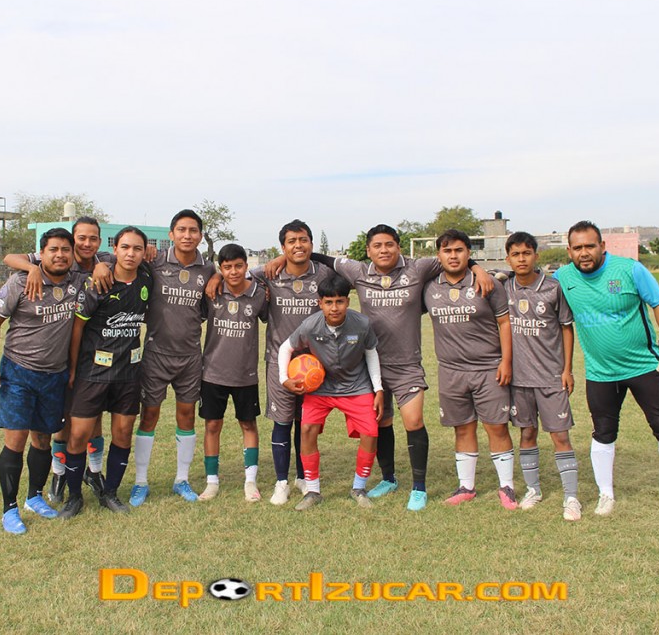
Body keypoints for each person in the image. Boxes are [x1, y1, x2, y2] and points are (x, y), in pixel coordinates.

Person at [300, 225, 493, 511]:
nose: (384, 250)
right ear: (368, 251)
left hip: (407, 365)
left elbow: (453, 256)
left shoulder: (418, 268)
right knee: (381, 423)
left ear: (399, 247)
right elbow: (322, 258)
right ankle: (388, 478)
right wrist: (281, 259)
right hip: (370, 366)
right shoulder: (358, 271)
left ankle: (419, 488)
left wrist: (478, 268)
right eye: (377, 246)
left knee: (414, 422)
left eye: (389, 244)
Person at [554, 221, 659, 523]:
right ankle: (606, 494)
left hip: (646, 367)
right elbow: (530, 284)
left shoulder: (630, 270)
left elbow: (658, 303)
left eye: (590, 246)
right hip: (600, 373)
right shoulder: (562, 278)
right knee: (603, 433)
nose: (584, 253)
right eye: (577, 248)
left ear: (602, 246)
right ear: (569, 251)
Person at [207, 219, 336, 506]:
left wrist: (288, 256)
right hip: (280, 362)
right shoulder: (267, 274)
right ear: (282, 246)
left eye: (303, 240)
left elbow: (343, 272)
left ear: (311, 243)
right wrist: (215, 277)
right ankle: (281, 482)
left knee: (306, 423)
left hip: (315, 365)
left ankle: (302, 477)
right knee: (282, 421)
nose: (298, 245)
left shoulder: (324, 273)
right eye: (291, 242)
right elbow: (235, 274)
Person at [0, 228, 82, 534]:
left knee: (42, 439)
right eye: (53, 249)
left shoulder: (77, 281)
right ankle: (9, 509)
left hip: (54, 374)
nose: (60, 255)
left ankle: (34, 497)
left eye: (66, 249)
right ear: (42, 253)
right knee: (16, 440)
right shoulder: (20, 281)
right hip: (19, 371)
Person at [57, 226, 152, 519]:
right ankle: (74, 497)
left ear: (144, 252)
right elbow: (77, 327)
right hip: (93, 372)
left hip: (128, 373)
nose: (131, 253)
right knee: (78, 435)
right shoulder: (98, 282)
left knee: (123, 433)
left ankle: (110, 492)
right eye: (125, 247)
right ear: (114, 249)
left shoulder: (147, 277)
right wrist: (73, 368)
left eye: (137, 248)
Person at [424, 229, 517, 510]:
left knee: (496, 426)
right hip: (451, 371)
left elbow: (504, 323)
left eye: (459, 250)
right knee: (463, 427)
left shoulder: (487, 283)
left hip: (488, 368)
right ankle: (466, 487)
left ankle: (507, 486)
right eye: (447, 251)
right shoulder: (429, 287)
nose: (453, 256)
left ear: (468, 253)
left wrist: (506, 362)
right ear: (439, 255)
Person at [278, 274, 384, 510]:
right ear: (320, 303)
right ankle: (313, 491)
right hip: (321, 388)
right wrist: (284, 379)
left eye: (339, 301)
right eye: (328, 302)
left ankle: (359, 488)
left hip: (356, 386)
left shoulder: (362, 324)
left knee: (370, 432)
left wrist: (378, 388)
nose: (334, 308)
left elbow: (371, 353)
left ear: (347, 301)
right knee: (307, 429)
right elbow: (286, 347)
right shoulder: (310, 325)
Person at [131, 210, 215, 505]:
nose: (187, 235)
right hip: (156, 353)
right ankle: (140, 482)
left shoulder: (208, 269)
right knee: (149, 415)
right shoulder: (154, 261)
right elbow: (119, 261)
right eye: (181, 230)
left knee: (187, 416)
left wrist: (217, 277)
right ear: (171, 234)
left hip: (190, 355)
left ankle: (182, 479)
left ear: (200, 235)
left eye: (193, 230)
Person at [503, 232, 581, 521]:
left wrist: (567, 369)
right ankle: (533, 489)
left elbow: (566, 328)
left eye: (527, 253)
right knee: (527, 433)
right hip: (518, 379)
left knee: (560, 435)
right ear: (508, 259)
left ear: (536, 256)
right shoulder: (503, 288)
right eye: (515, 254)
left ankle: (571, 497)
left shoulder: (552, 288)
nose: (521, 259)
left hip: (550, 377)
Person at [197, 243, 268, 501]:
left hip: (245, 374)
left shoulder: (259, 294)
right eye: (227, 267)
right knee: (212, 425)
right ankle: (211, 482)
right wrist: (216, 277)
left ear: (246, 266)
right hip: (212, 373)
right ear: (221, 268)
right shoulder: (212, 291)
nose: (234, 272)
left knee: (248, 424)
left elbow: (270, 317)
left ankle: (250, 481)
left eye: (239, 266)